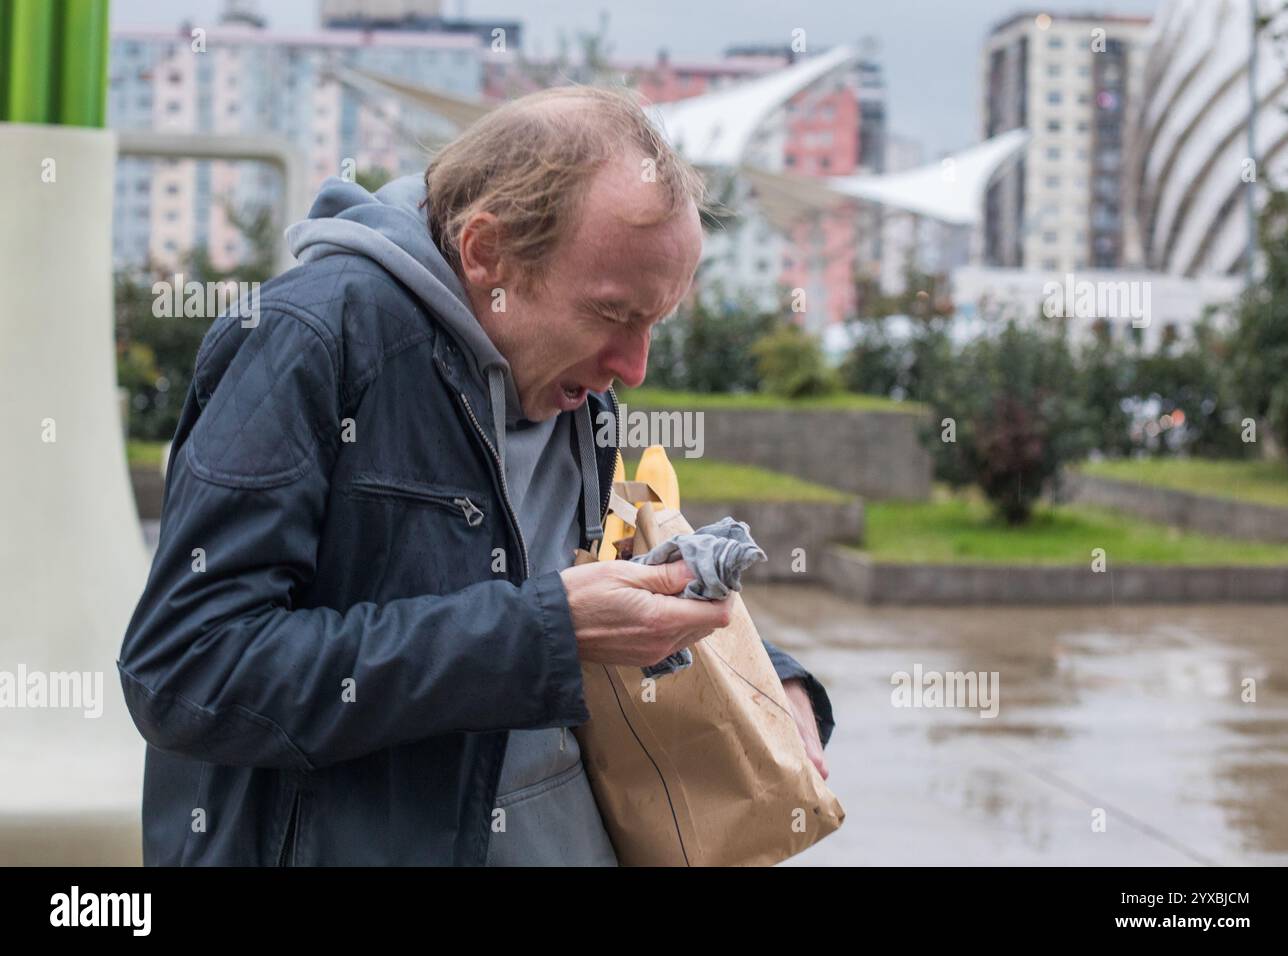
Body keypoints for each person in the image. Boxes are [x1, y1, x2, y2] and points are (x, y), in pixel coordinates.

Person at [117, 85, 834, 866]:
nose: (633, 366)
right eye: (612, 313)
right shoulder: (311, 340)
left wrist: (771, 680)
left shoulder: (574, 389)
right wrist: (542, 632)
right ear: (486, 252)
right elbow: (188, 669)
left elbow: (591, 583)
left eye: (654, 321)